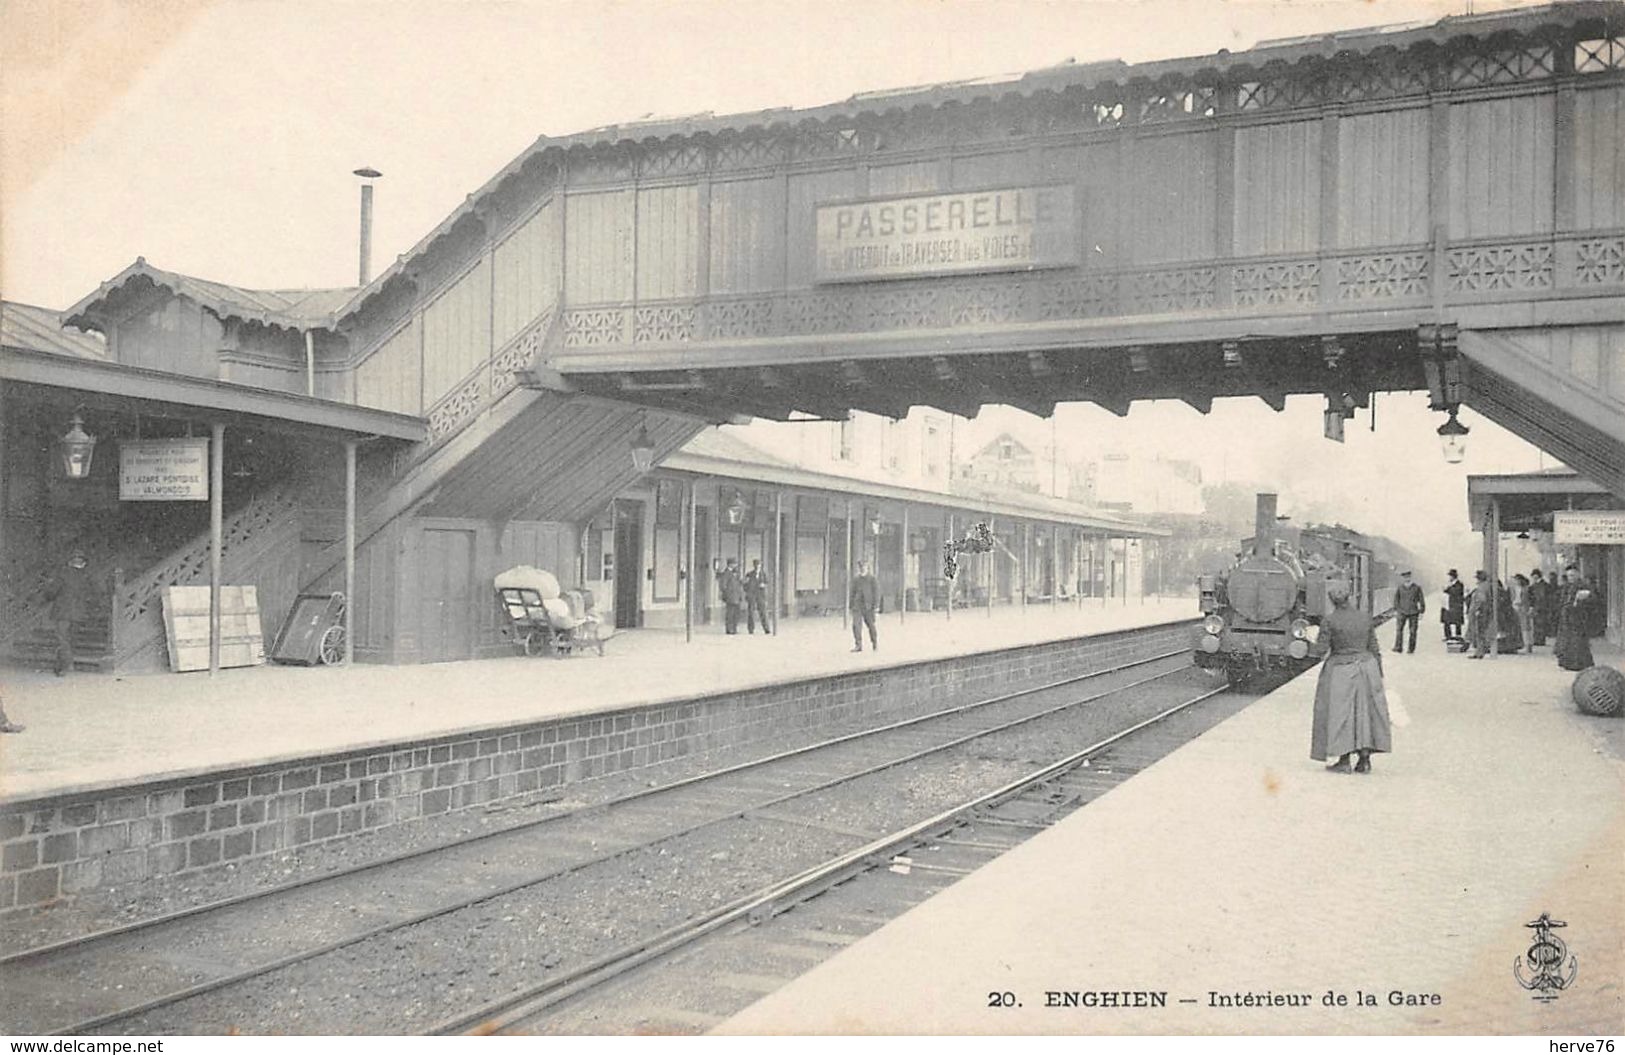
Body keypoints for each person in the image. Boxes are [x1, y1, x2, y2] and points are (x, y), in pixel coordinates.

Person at [1310, 580, 1392, 774]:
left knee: (1341, 714)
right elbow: (1374, 648)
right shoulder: (1365, 618)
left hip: (1340, 669)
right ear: (1349, 597)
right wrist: (1379, 674)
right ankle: (1364, 761)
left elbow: (1320, 651)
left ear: (1332, 600)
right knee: (1366, 713)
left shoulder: (1329, 620)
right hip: (1368, 667)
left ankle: (1344, 760)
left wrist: (1311, 638)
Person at [46, 549, 94, 677]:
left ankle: (66, 665)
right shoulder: (87, 576)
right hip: (78, 614)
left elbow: (51, 593)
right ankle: (60, 666)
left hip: (62, 613)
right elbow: (93, 594)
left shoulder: (62, 574)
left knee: (62, 640)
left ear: (70, 562)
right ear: (83, 563)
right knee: (70, 641)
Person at [1554, 564, 1597, 672]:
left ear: (1578, 574)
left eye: (1573, 575)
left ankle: (1580, 664)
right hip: (1566, 617)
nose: (1571, 578)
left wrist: (1584, 598)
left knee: (1578, 641)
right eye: (1569, 576)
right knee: (1565, 641)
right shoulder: (1566, 586)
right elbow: (1562, 600)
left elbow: (1593, 599)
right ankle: (1566, 663)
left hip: (1578, 617)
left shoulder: (1584, 585)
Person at [1391, 571, 1425, 653]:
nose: (1407, 579)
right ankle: (1398, 647)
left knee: (1413, 631)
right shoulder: (1400, 587)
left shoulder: (1417, 587)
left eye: (1408, 577)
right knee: (1399, 630)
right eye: (1405, 577)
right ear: (1403, 578)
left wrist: (1421, 611)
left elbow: (1421, 600)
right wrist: (1396, 609)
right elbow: (1396, 599)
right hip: (1402, 611)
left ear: (1410, 577)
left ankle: (1411, 649)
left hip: (1414, 612)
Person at [850, 560, 879, 653]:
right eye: (861, 567)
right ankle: (858, 645)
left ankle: (874, 642)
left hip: (868, 606)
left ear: (867, 567)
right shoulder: (856, 579)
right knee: (856, 626)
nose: (862, 568)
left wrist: (876, 606)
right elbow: (852, 592)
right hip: (857, 605)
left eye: (864, 567)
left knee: (871, 626)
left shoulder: (872, 579)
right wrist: (851, 604)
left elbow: (876, 593)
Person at [1466, 570, 1494, 659]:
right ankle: (1479, 651)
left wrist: (1478, 610)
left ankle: (1479, 652)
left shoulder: (1482, 587)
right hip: (1483, 612)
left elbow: (1482, 600)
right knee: (1480, 632)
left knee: (1479, 632)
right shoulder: (1485, 586)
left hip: (1480, 613)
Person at [743, 558, 772, 635]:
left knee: (763, 612)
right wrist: (748, 591)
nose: (757, 567)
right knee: (751, 613)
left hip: (760, 596)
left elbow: (767, 583)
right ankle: (751, 629)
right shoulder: (749, 574)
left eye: (759, 565)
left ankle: (766, 628)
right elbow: (745, 585)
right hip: (752, 595)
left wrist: (764, 585)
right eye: (756, 565)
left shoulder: (763, 574)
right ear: (754, 566)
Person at [717, 558, 745, 635]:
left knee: (736, 613)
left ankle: (734, 628)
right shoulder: (726, 573)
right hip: (731, 597)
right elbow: (723, 585)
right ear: (730, 564)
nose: (736, 565)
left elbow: (739, 583)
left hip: (736, 596)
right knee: (730, 613)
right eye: (734, 564)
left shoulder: (736, 573)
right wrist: (727, 594)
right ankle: (729, 629)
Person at [1528, 569, 1552, 648]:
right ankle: (1538, 639)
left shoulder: (1544, 585)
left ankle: (1540, 640)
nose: (1533, 578)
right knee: (1537, 623)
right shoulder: (1533, 586)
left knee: (1541, 623)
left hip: (1542, 607)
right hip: (1538, 607)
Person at [1511, 574, 1533, 654]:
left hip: (1524, 608)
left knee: (1526, 627)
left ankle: (1528, 645)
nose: (1515, 581)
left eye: (1516, 580)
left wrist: (1530, 607)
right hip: (1516, 607)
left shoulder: (1527, 588)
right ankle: (1524, 644)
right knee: (1520, 626)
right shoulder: (1513, 588)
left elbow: (1530, 599)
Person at [1441, 569, 1465, 642]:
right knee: (1446, 620)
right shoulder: (1450, 584)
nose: (1449, 578)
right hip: (1449, 604)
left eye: (1450, 576)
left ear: (1453, 576)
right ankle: (1448, 635)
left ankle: (1458, 635)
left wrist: (1447, 589)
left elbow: (1456, 592)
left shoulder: (1459, 584)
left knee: (1457, 621)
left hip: (1456, 605)